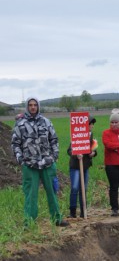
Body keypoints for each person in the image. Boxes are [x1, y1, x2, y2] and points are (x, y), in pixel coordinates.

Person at [11, 97, 69, 227]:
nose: (33, 107)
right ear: (27, 107)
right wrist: (21, 159)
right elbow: (15, 144)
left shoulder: (46, 122)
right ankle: (29, 222)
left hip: (47, 163)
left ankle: (57, 219)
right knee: (30, 195)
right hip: (30, 164)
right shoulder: (20, 124)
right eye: (30, 105)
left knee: (52, 192)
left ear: (38, 106)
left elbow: (54, 139)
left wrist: (54, 156)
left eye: (35, 105)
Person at [67, 117, 98, 219]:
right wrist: (76, 155)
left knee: (83, 188)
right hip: (75, 166)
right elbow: (69, 150)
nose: (92, 126)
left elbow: (92, 149)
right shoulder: (77, 136)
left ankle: (83, 211)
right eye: (90, 124)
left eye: (92, 124)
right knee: (75, 188)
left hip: (85, 166)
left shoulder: (91, 136)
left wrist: (93, 153)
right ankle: (72, 212)